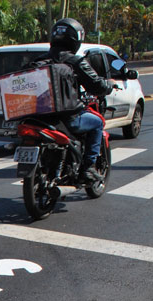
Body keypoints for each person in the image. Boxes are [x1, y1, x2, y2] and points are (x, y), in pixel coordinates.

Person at [34, 18, 115, 182]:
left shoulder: (38, 61)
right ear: (75, 39)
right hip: (67, 118)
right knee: (97, 123)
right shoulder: (75, 61)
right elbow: (96, 85)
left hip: (37, 118)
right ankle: (88, 168)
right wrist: (108, 85)